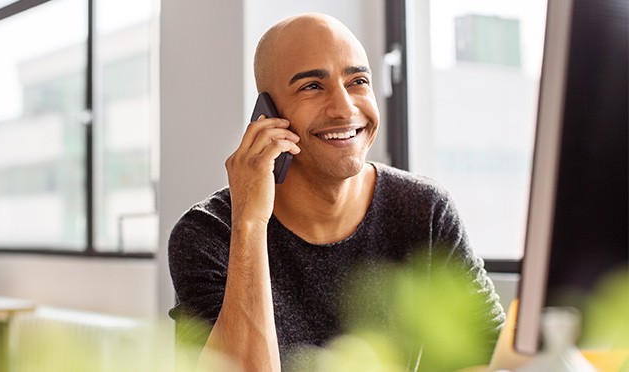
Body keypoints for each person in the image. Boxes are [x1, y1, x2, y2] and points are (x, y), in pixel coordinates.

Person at [168, 13, 505, 371]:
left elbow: (490, 358)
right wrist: (249, 223)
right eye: (312, 86)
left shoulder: (424, 211)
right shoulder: (207, 235)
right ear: (267, 116)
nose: (345, 108)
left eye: (358, 81)